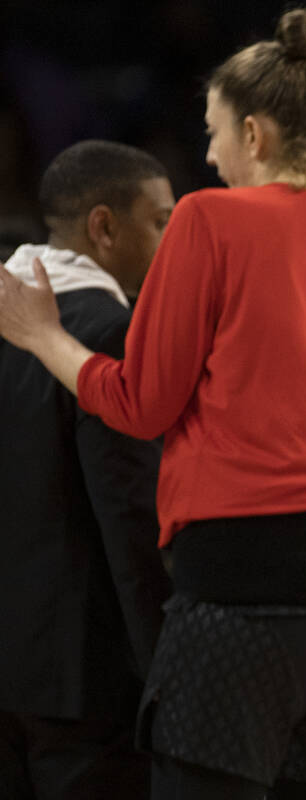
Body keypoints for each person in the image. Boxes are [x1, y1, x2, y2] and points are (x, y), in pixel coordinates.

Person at [0, 10, 306, 800]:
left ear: (255, 134)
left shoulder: (207, 220)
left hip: (237, 605)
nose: (208, 156)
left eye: (213, 133)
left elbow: (140, 404)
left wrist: (45, 337)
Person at [0, 140, 174, 800]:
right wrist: (166, 675)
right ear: (104, 227)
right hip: (83, 683)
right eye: (159, 221)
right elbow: (131, 516)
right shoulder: (108, 330)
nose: (171, 243)